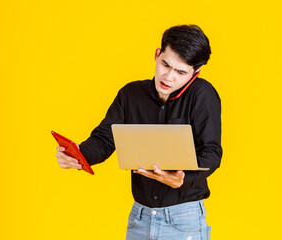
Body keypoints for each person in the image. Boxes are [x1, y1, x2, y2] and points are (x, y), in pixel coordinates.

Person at [55, 24, 222, 240]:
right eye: (165, 65)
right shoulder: (130, 94)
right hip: (140, 217)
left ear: (195, 74)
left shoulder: (202, 95)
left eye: (181, 72)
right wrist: (80, 154)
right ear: (156, 54)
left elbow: (211, 152)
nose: (168, 77)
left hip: (183, 218)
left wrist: (184, 178)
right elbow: (105, 139)